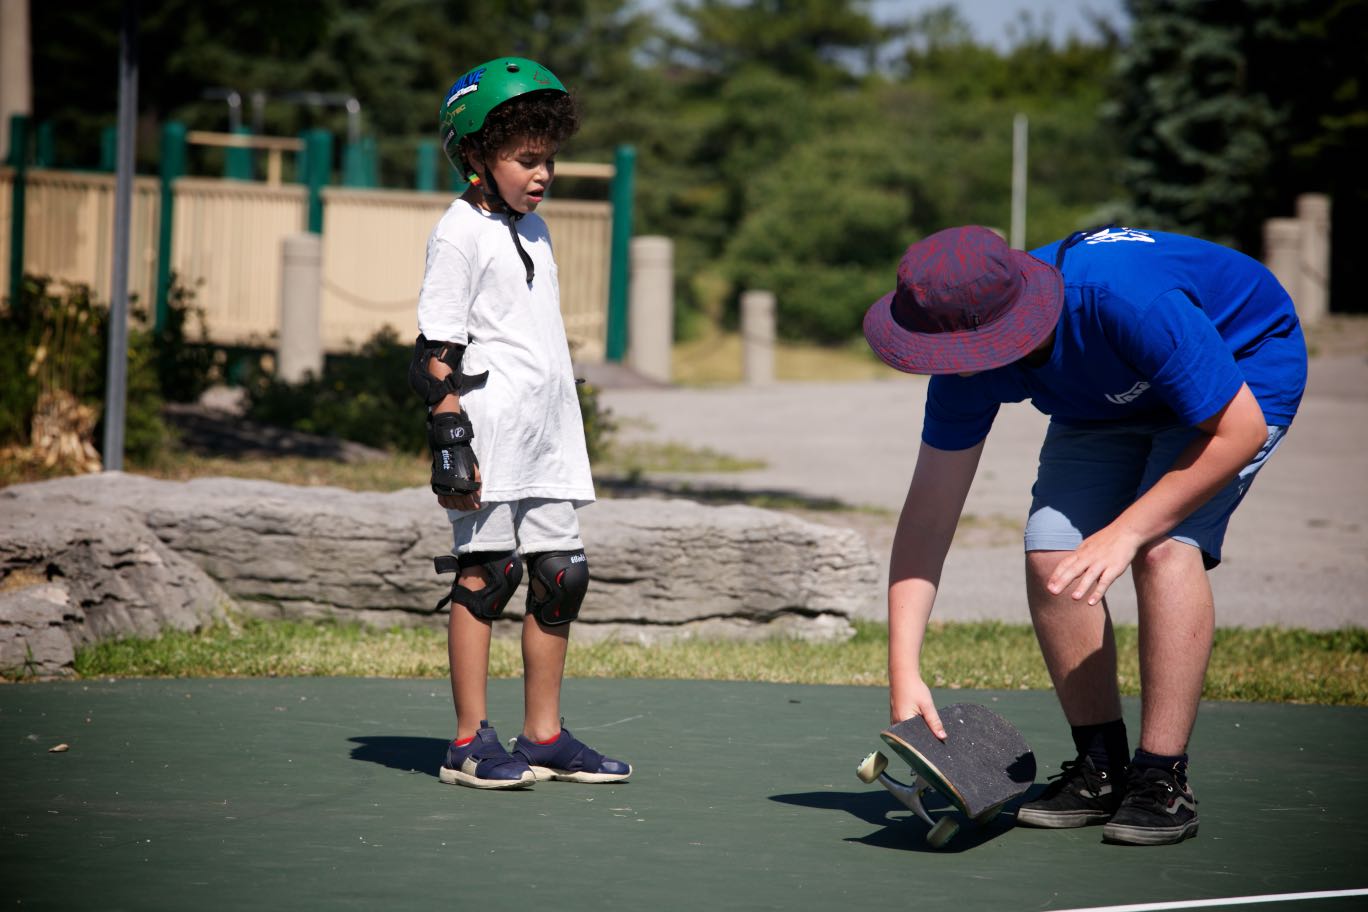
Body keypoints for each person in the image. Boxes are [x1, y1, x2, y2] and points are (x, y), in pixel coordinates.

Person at [862, 224, 1306, 845]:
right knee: (1053, 553)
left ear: (1015, 321)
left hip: (1237, 370)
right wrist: (902, 669)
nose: (958, 369)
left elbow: (1238, 432)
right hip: (1104, 398)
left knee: (1160, 547)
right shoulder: (960, 351)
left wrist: (1124, 531)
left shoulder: (1123, 302)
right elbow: (928, 516)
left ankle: (1162, 779)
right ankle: (1100, 768)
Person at [409, 56, 631, 790]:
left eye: (550, 159)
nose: (543, 174)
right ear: (476, 155)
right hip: (491, 435)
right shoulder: (458, 233)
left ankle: (543, 734)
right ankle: (469, 740)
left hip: (546, 435)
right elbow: (436, 351)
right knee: (488, 576)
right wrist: (450, 442)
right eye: (526, 159)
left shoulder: (534, 231)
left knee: (561, 577)